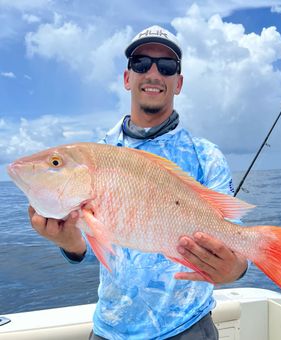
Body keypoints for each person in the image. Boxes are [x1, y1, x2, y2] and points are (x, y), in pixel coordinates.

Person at [29, 25, 248, 340]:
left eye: (167, 66)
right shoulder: (98, 153)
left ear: (179, 82)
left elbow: (233, 241)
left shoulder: (206, 156)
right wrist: (69, 243)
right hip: (111, 329)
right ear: (127, 77)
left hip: (189, 327)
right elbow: (89, 246)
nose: (154, 73)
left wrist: (235, 271)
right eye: (141, 63)